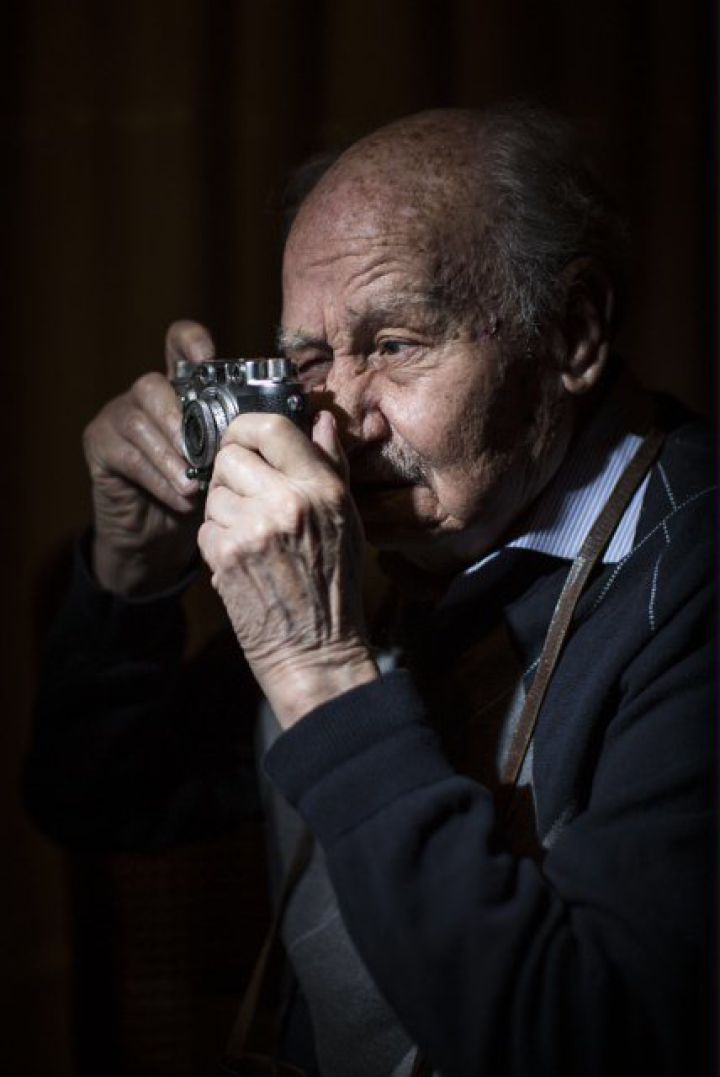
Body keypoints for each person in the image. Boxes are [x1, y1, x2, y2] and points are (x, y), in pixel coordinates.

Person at [26, 104, 715, 1077]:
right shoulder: (400, 547)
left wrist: (318, 668)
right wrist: (132, 578)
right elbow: (96, 798)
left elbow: (584, 1038)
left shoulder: (688, 574)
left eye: (394, 344)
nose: (338, 425)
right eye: (309, 363)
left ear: (572, 333)